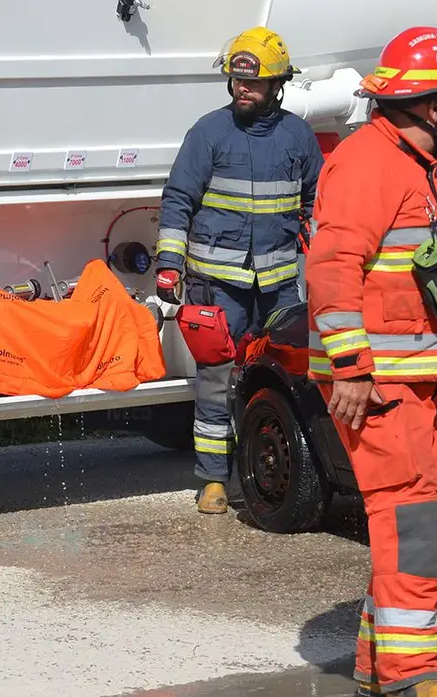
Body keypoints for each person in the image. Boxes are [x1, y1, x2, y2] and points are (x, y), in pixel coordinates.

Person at [303, 27, 437, 697]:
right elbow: (331, 270)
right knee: (413, 516)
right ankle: (410, 675)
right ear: (429, 104)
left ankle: (376, 663)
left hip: (418, 377)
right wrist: (351, 368)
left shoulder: (414, 169)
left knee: (433, 513)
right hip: (381, 381)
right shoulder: (368, 163)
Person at [154, 26, 324, 514]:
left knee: (286, 379)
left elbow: (317, 203)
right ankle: (212, 480)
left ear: (277, 85)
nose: (241, 89)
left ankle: (287, 470)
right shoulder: (208, 132)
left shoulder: (298, 136)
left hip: (278, 288)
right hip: (218, 287)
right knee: (215, 380)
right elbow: (178, 200)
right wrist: (169, 263)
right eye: (235, 81)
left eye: (251, 83)